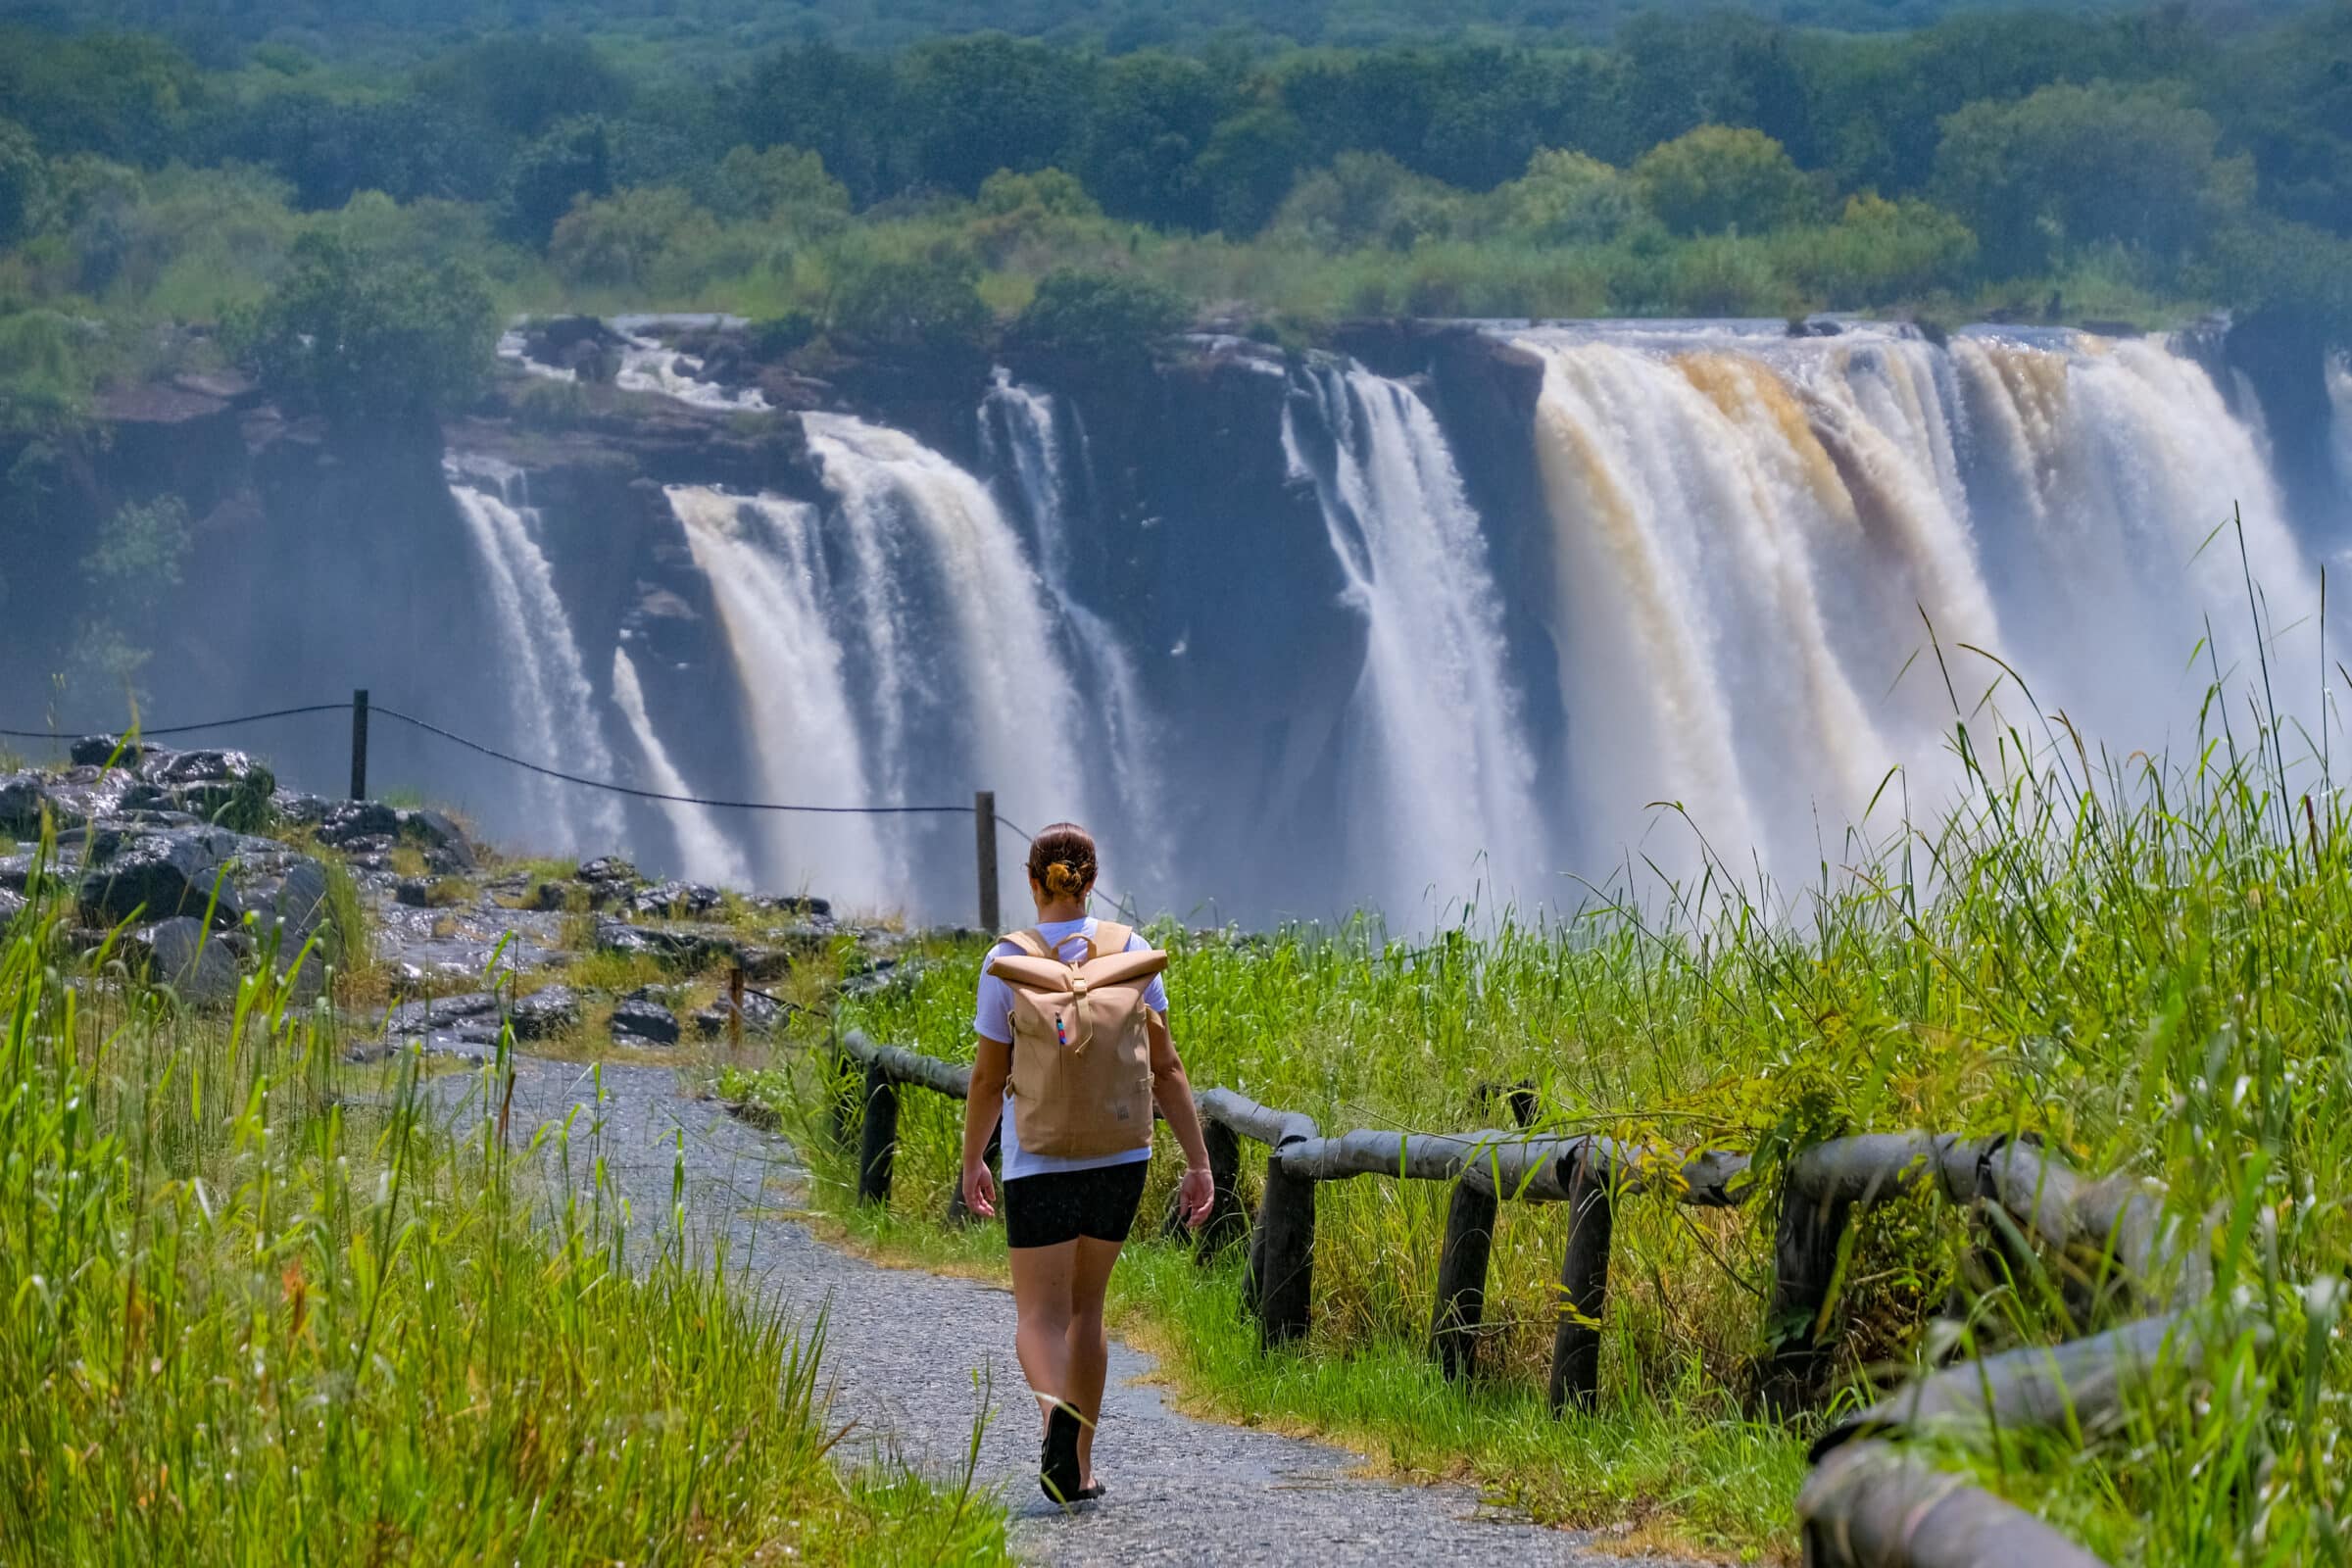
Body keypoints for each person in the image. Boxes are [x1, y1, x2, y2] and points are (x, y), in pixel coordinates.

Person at [961, 821, 1215, 1505]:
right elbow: (1167, 1069)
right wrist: (1198, 1162)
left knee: (1039, 1316)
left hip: (1037, 1157)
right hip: (1120, 1152)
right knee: (1088, 1310)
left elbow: (988, 1081)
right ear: (1092, 880)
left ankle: (1053, 1417)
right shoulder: (1131, 953)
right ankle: (1081, 1463)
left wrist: (971, 1162)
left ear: (1032, 879)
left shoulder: (1004, 962)